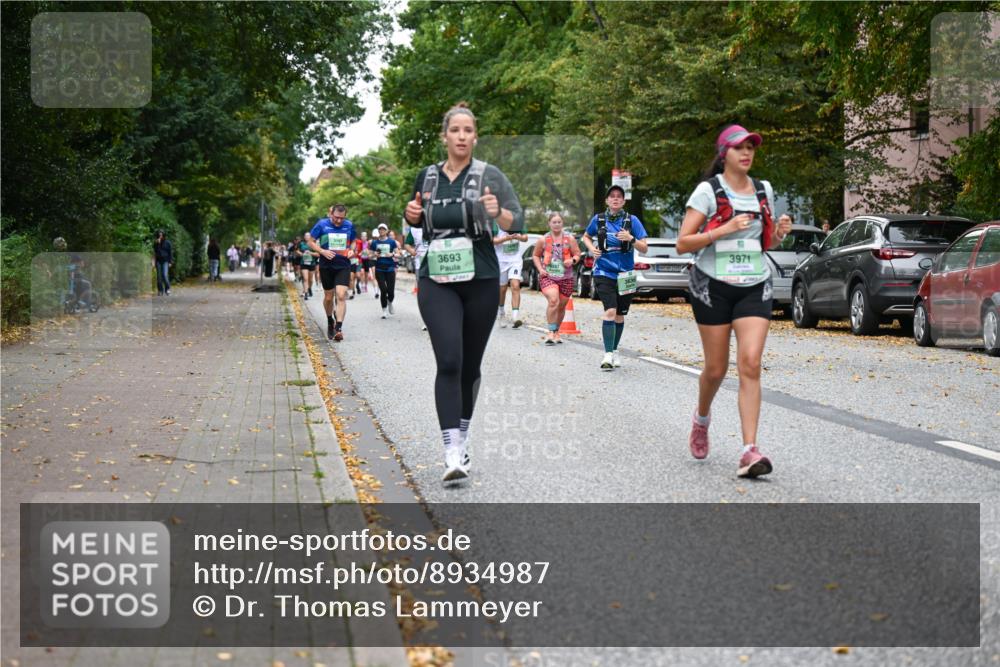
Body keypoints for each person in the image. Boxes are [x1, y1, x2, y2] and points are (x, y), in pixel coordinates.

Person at [403, 102, 523, 484]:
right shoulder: (427, 177)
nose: (461, 136)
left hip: (481, 278)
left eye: (468, 130)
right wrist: (410, 215)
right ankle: (452, 450)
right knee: (450, 360)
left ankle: (464, 435)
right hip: (437, 279)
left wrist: (497, 212)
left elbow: (516, 219)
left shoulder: (490, 175)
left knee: (470, 366)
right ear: (445, 136)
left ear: (475, 137)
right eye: (455, 130)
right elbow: (414, 216)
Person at [676, 124, 792, 479]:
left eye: (751, 148)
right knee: (716, 369)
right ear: (723, 153)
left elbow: (764, 242)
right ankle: (701, 418)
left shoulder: (763, 190)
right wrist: (723, 229)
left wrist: (779, 234)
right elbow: (683, 243)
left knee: (751, 363)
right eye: (739, 147)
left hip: (754, 283)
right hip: (712, 285)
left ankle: (749, 450)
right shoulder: (708, 191)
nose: (746, 153)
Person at [582, 185, 649, 370]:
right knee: (610, 311)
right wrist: (592, 248)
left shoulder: (632, 221)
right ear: (607, 200)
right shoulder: (598, 219)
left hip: (626, 274)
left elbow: (644, 247)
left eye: (619, 196)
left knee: (620, 315)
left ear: (624, 201)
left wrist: (631, 238)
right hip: (603, 272)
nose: (616, 198)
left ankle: (615, 349)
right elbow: (586, 236)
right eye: (612, 196)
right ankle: (608, 354)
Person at [307, 204, 357, 340]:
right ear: (331, 214)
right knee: (329, 297)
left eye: (342, 218)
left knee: (341, 295)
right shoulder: (321, 224)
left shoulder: (349, 225)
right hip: (326, 265)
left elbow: (353, 241)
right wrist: (322, 251)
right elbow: (310, 242)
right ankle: (330, 321)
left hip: (343, 265)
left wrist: (352, 250)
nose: (339, 221)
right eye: (336, 217)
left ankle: (338, 328)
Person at [532, 213, 581, 344]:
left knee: (561, 306)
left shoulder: (570, 239)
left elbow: (577, 254)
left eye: (559, 222)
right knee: (554, 300)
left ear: (562, 223)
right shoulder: (543, 240)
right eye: (554, 222)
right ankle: (550, 331)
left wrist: (572, 260)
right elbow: (536, 255)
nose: (557, 224)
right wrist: (540, 269)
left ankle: (556, 331)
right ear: (549, 223)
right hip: (548, 276)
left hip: (566, 277)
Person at [494, 220, 528, 328]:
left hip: (515, 260)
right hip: (501, 261)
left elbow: (525, 237)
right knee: (502, 289)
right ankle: (501, 313)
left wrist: (519, 237)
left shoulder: (517, 221)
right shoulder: (495, 223)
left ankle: (515, 317)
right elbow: (492, 240)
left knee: (515, 285)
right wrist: (505, 238)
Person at [370, 223, 401, 318]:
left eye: (383, 229)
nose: (381, 231)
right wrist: (375, 254)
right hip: (379, 269)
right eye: (380, 229)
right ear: (378, 231)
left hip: (390, 269)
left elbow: (398, 254)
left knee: (391, 292)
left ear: (386, 231)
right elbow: (369, 255)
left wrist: (392, 254)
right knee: (383, 290)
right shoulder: (374, 243)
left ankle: (389, 302)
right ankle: (384, 311)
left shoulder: (392, 242)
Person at [154, 230, 173, 295]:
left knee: (165, 275)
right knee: (159, 277)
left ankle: (167, 289)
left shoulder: (168, 243)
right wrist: (158, 244)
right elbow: (155, 252)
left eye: (161, 235)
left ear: (164, 235)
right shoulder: (156, 243)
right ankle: (160, 290)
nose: (160, 236)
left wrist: (170, 262)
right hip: (158, 261)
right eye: (159, 235)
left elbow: (170, 253)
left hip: (165, 261)